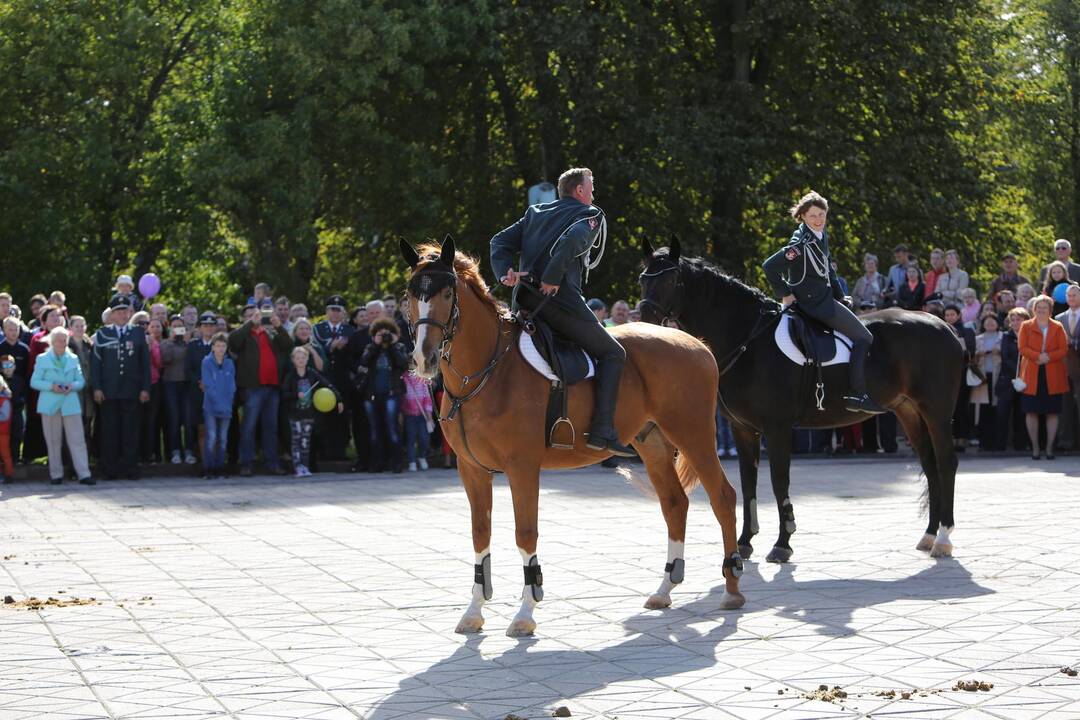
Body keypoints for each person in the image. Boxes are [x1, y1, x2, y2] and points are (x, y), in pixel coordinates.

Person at [491, 166, 635, 453]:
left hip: (525, 302)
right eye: (591, 187)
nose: (594, 193)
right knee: (613, 353)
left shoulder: (535, 213)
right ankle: (602, 430)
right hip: (559, 302)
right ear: (579, 191)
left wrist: (503, 271)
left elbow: (499, 241)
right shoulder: (590, 214)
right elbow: (572, 241)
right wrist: (552, 278)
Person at [762, 190, 882, 413]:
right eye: (813, 216)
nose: (818, 220)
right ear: (803, 217)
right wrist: (786, 294)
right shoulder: (801, 242)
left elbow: (827, 269)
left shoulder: (820, 234)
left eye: (822, 214)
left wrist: (839, 295)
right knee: (864, 336)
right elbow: (769, 266)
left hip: (825, 298)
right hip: (814, 304)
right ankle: (858, 393)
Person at [227, 301, 292, 476]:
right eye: (249, 316)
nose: (255, 318)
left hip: (272, 387)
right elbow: (233, 342)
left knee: (271, 427)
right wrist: (249, 323)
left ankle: (272, 463)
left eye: (256, 315)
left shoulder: (270, 333)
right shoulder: (244, 335)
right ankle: (246, 463)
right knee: (249, 427)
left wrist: (279, 327)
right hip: (252, 388)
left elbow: (288, 346)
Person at [90, 298, 151, 479]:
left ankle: (130, 468)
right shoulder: (102, 334)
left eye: (125, 311)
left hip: (131, 391)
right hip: (109, 391)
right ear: (112, 314)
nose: (123, 315)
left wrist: (145, 388)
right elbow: (96, 365)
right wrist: (97, 388)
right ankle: (110, 469)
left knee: (130, 432)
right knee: (110, 432)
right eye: (118, 311)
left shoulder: (138, 333)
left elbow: (144, 364)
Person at [31, 326, 94, 485]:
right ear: (52, 341)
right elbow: (34, 382)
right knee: (53, 440)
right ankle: (56, 474)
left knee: (78, 439)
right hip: (50, 404)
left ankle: (84, 474)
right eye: (59, 340)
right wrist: (52, 386)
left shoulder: (73, 358)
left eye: (65, 339)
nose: (63, 342)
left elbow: (81, 381)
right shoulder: (42, 358)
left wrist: (72, 386)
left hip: (70, 403)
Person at [1017, 295, 1068, 459]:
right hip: (1032, 373)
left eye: (1044, 308)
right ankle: (1035, 448)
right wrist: (1038, 356)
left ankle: (1049, 448)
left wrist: (1048, 357)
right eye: (1038, 308)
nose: (1041, 310)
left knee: (1052, 412)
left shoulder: (1058, 326)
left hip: (1053, 373)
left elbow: (1063, 349)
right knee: (1031, 412)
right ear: (1034, 309)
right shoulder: (1026, 326)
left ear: (1050, 310)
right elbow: (1022, 347)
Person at [281, 345, 342, 476]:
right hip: (295, 414)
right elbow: (284, 393)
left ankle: (305, 466)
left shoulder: (312, 374)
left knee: (305, 441)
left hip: (308, 414)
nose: (301, 360)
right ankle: (297, 467)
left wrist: (338, 397)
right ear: (293, 360)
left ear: (307, 359)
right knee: (296, 440)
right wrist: (295, 395)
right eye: (298, 358)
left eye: (303, 358)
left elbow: (327, 384)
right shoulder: (290, 376)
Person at [357, 317, 408, 472]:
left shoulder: (398, 347)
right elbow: (364, 362)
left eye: (387, 333)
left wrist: (392, 345)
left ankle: (397, 463)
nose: (384, 336)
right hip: (372, 395)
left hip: (392, 394)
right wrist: (375, 345)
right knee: (374, 431)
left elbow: (403, 364)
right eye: (380, 334)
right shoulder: (370, 347)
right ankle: (377, 463)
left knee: (392, 429)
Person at [312, 295, 355, 461]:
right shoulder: (318, 328)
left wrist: (339, 346)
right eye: (332, 310)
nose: (335, 313)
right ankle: (324, 452)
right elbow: (318, 345)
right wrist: (331, 345)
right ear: (327, 311)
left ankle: (340, 451)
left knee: (342, 416)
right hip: (324, 378)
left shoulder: (349, 330)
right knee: (324, 416)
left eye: (339, 310)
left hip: (343, 379)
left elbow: (352, 351)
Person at [160, 315, 196, 464]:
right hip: (171, 384)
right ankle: (175, 451)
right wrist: (171, 340)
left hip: (187, 384)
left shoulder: (190, 343)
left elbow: (193, 361)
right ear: (170, 328)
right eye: (174, 326)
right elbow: (166, 359)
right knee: (174, 418)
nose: (177, 329)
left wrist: (187, 343)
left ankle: (188, 451)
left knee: (188, 418)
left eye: (180, 326)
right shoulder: (165, 343)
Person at [995, 307, 1031, 451]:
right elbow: (1006, 358)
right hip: (1007, 381)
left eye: (1019, 319)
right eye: (1013, 320)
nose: (1015, 323)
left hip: (1025, 381)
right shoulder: (1005, 336)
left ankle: (1020, 445)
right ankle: (1000, 445)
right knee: (1002, 414)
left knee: (1021, 415)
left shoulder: (1030, 336)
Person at [200, 333, 235, 479]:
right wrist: (218, 402)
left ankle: (220, 467)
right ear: (213, 347)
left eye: (223, 346)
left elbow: (232, 385)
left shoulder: (230, 363)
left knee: (223, 438)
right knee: (212, 437)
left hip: (226, 406)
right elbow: (208, 384)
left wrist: (228, 402)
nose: (221, 349)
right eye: (218, 346)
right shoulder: (206, 362)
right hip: (211, 406)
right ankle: (209, 468)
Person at [944, 304, 976, 449]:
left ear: (958, 315)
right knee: (948, 407)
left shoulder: (967, 330)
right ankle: (949, 438)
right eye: (947, 315)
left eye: (952, 314)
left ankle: (962, 437)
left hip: (962, 373)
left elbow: (972, 350)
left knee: (962, 407)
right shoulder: (940, 330)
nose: (949, 317)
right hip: (944, 375)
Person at [1, 318, 30, 462]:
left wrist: (24, 396)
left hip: (19, 397)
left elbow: (28, 374)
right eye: (10, 329)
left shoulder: (24, 349)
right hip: (2, 398)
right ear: (4, 330)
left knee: (18, 429)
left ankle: (15, 458)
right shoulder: (0, 348)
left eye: (16, 329)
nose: (13, 332)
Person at [971, 315, 1002, 448]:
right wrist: (978, 354)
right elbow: (971, 359)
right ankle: (983, 440)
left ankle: (996, 440)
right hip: (982, 377)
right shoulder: (978, 339)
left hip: (998, 376)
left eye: (992, 321)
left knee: (996, 408)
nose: (990, 324)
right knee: (983, 408)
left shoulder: (1002, 337)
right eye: (987, 322)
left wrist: (1000, 352)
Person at [1055, 285, 1080, 452]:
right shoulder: (1059, 318)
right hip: (1064, 368)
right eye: (1068, 295)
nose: (1071, 298)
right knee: (1065, 405)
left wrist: (1075, 344)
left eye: (1074, 295)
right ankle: (1066, 442)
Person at [66, 316, 94, 455]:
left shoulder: (89, 344)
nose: (80, 329)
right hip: (73, 392)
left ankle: (86, 459)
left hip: (88, 391)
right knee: (73, 428)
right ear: (70, 328)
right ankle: (71, 464)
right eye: (77, 326)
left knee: (87, 425)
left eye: (82, 326)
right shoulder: (67, 346)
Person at [140, 316, 165, 463]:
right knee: (139, 421)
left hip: (153, 384)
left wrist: (151, 349)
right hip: (137, 385)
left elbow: (159, 363)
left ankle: (150, 454)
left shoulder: (153, 342)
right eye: (150, 326)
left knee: (151, 420)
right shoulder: (137, 341)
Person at [401, 369, 434, 472]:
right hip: (409, 415)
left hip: (422, 415)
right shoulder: (403, 378)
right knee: (410, 439)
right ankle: (412, 462)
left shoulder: (422, 378)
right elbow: (401, 397)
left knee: (424, 438)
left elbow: (427, 397)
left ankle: (422, 456)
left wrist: (429, 415)